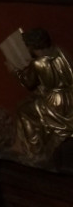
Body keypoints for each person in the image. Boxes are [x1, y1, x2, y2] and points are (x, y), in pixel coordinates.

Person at [10, 28, 73, 163]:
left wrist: (16, 72)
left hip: (53, 102)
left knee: (23, 111)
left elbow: (29, 83)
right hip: (69, 98)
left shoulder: (38, 63)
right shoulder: (60, 52)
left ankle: (35, 150)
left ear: (31, 46)